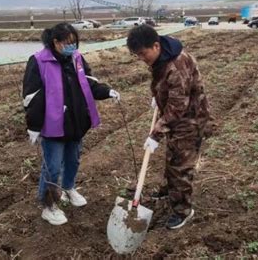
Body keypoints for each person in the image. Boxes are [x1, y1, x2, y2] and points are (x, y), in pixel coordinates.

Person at [22, 23, 120, 226]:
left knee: (73, 160)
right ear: (55, 42)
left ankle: (68, 188)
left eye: (74, 43)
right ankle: (48, 206)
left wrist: (107, 91)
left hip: (75, 121)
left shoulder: (76, 58)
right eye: (67, 43)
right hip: (53, 125)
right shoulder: (39, 61)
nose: (71, 47)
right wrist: (33, 126)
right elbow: (32, 96)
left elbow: (89, 82)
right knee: (53, 167)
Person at [126, 25, 212, 230]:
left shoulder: (176, 66)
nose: (141, 58)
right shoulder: (162, 55)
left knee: (180, 164)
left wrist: (155, 134)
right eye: (136, 55)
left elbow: (177, 107)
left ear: (155, 46)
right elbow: (168, 91)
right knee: (172, 154)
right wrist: (159, 98)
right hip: (178, 116)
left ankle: (183, 210)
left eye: (142, 54)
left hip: (189, 119)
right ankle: (168, 189)